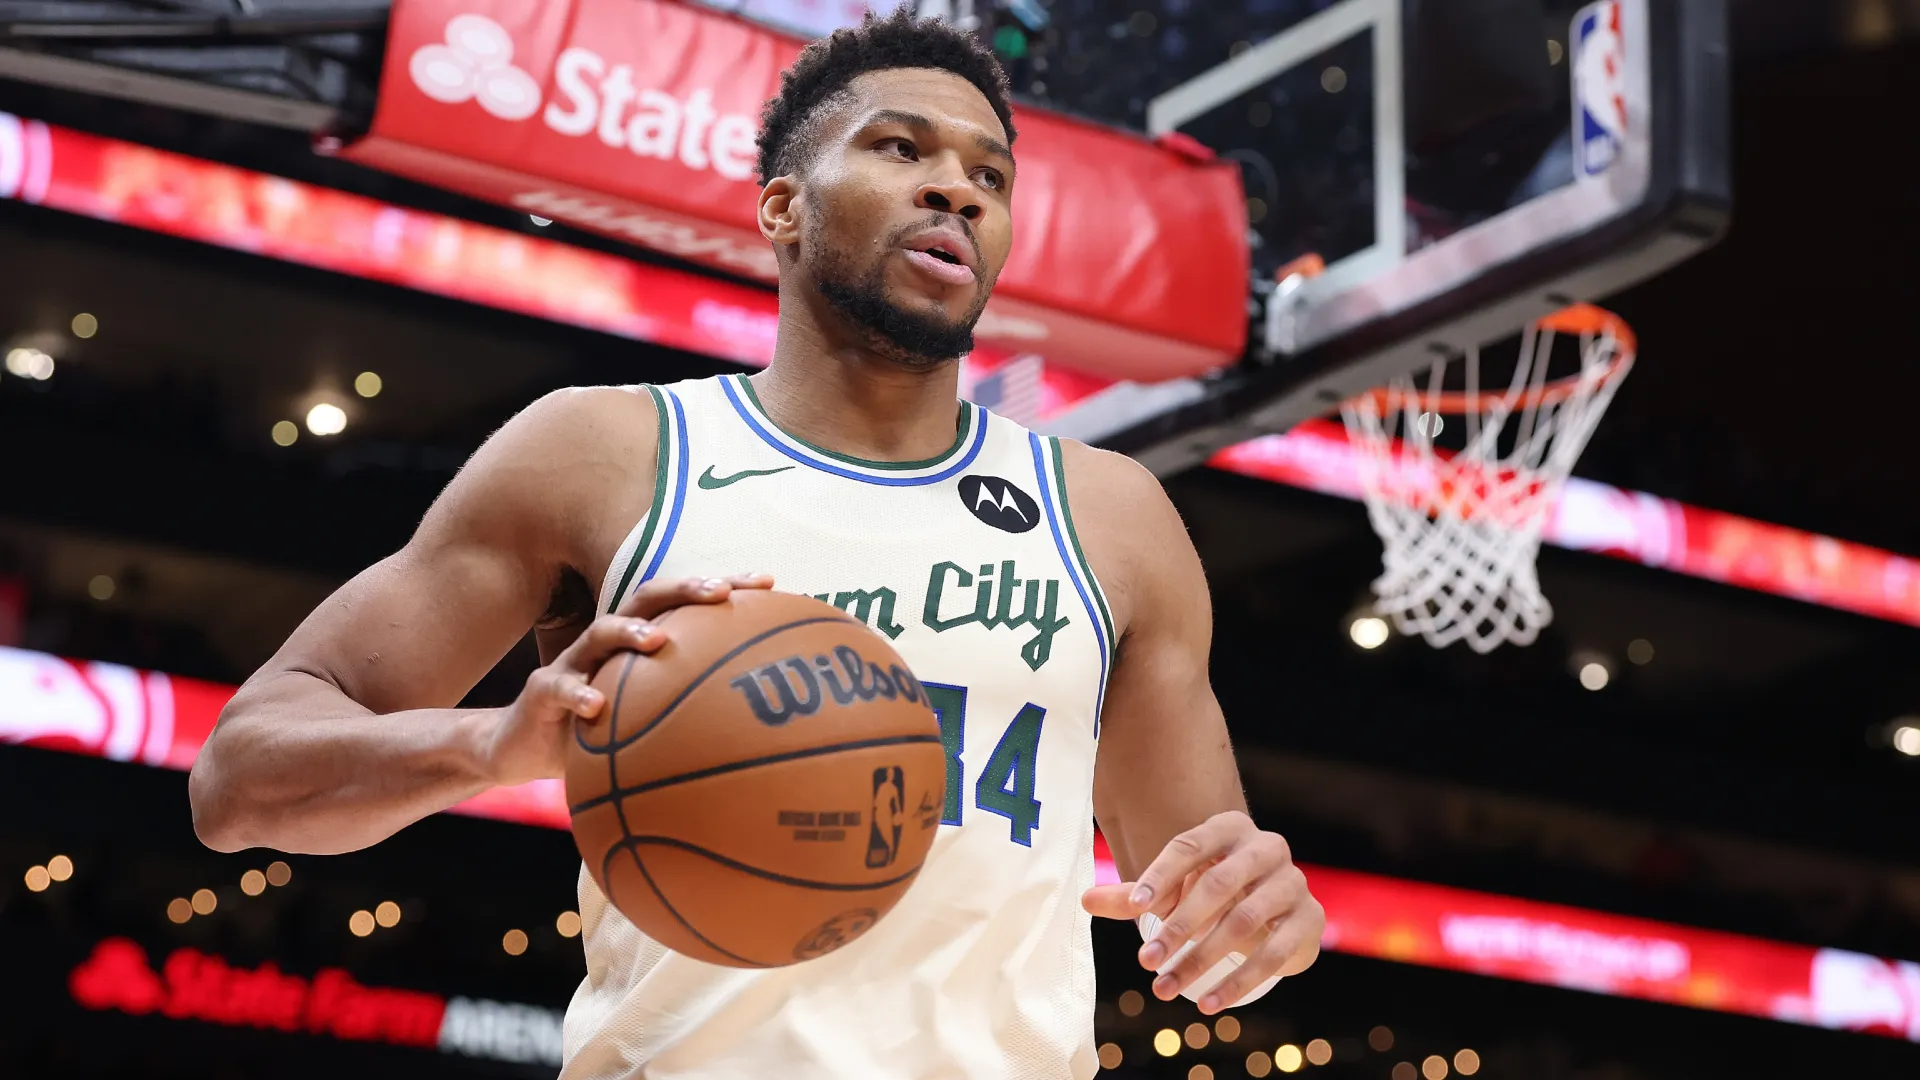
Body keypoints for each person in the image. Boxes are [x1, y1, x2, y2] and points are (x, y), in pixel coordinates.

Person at [187, 10, 1324, 1078]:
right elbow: (239, 784)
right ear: (782, 207)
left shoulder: (1110, 515)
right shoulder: (605, 452)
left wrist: (1263, 911)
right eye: (899, 148)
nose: (956, 190)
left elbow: (1206, 897)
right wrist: (492, 745)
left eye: (990, 175)